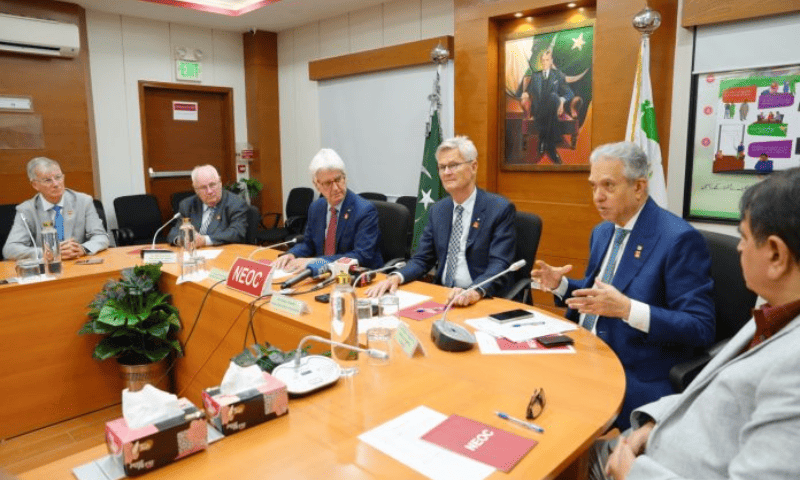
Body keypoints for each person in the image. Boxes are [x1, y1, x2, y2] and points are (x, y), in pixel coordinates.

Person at [597, 166, 800, 480]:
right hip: (654, 439)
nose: (739, 248)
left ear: (776, 254)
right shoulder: (776, 311)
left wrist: (632, 473)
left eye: (744, 237)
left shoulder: (793, 368)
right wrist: (651, 425)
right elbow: (710, 390)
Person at [531, 142, 715, 430]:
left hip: (633, 369)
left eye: (608, 186)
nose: (598, 196)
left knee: (556, 423)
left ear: (639, 187)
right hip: (583, 350)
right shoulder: (603, 232)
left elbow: (700, 327)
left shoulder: (678, 239)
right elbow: (601, 299)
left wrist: (628, 310)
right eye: (593, 186)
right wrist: (561, 285)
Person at [367, 136, 516, 306]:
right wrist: (397, 277)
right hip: (443, 294)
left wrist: (474, 292)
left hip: (481, 297)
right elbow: (422, 258)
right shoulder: (438, 210)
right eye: (442, 167)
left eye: (453, 165)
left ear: (473, 166)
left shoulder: (499, 209)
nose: (446, 172)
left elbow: (500, 264)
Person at [272, 149, 383, 271]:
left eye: (338, 180)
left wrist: (317, 262)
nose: (335, 188)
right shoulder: (316, 208)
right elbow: (308, 244)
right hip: (324, 272)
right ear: (316, 185)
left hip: (358, 275)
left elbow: (362, 256)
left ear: (345, 178)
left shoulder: (364, 210)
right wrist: (291, 254)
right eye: (328, 183)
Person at [3, 157, 108, 260]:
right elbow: (10, 249)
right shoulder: (26, 210)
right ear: (35, 185)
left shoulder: (83, 201)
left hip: (77, 261)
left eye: (58, 177)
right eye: (48, 180)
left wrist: (83, 248)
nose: (56, 184)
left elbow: (101, 236)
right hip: (47, 266)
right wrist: (51, 252)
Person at [517, 47, 575, 165]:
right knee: (553, 99)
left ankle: (544, 142)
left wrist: (562, 101)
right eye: (542, 60)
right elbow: (528, 91)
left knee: (553, 97)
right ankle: (550, 146)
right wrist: (525, 94)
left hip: (553, 106)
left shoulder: (558, 75)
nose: (544, 62)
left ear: (551, 61)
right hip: (538, 109)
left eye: (547, 60)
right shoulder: (535, 76)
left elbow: (570, 93)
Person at [166, 165, 248, 247]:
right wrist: (181, 240)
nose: (209, 191)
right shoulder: (187, 205)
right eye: (203, 187)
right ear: (196, 189)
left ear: (220, 183)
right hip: (194, 252)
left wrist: (205, 240)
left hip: (224, 252)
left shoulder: (235, 203)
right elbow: (174, 232)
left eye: (212, 185)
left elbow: (236, 233)